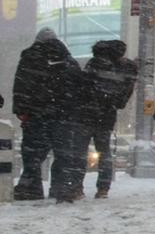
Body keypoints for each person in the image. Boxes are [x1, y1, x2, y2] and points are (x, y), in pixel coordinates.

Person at [11, 29, 88, 202]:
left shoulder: (30, 59)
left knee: (33, 154)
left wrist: (22, 110)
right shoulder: (69, 61)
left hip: (36, 115)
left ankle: (31, 188)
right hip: (64, 116)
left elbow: (21, 86)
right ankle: (60, 189)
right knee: (63, 155)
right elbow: (80, 88)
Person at [78, 40, 137, 199]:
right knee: (104, 152)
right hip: (106, 116)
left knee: (80, 152)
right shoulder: (121, 68)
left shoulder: (94, 64)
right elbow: (123, 96)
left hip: (86, 115)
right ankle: (103, 188)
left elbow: (82, 87)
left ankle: (77, 187)